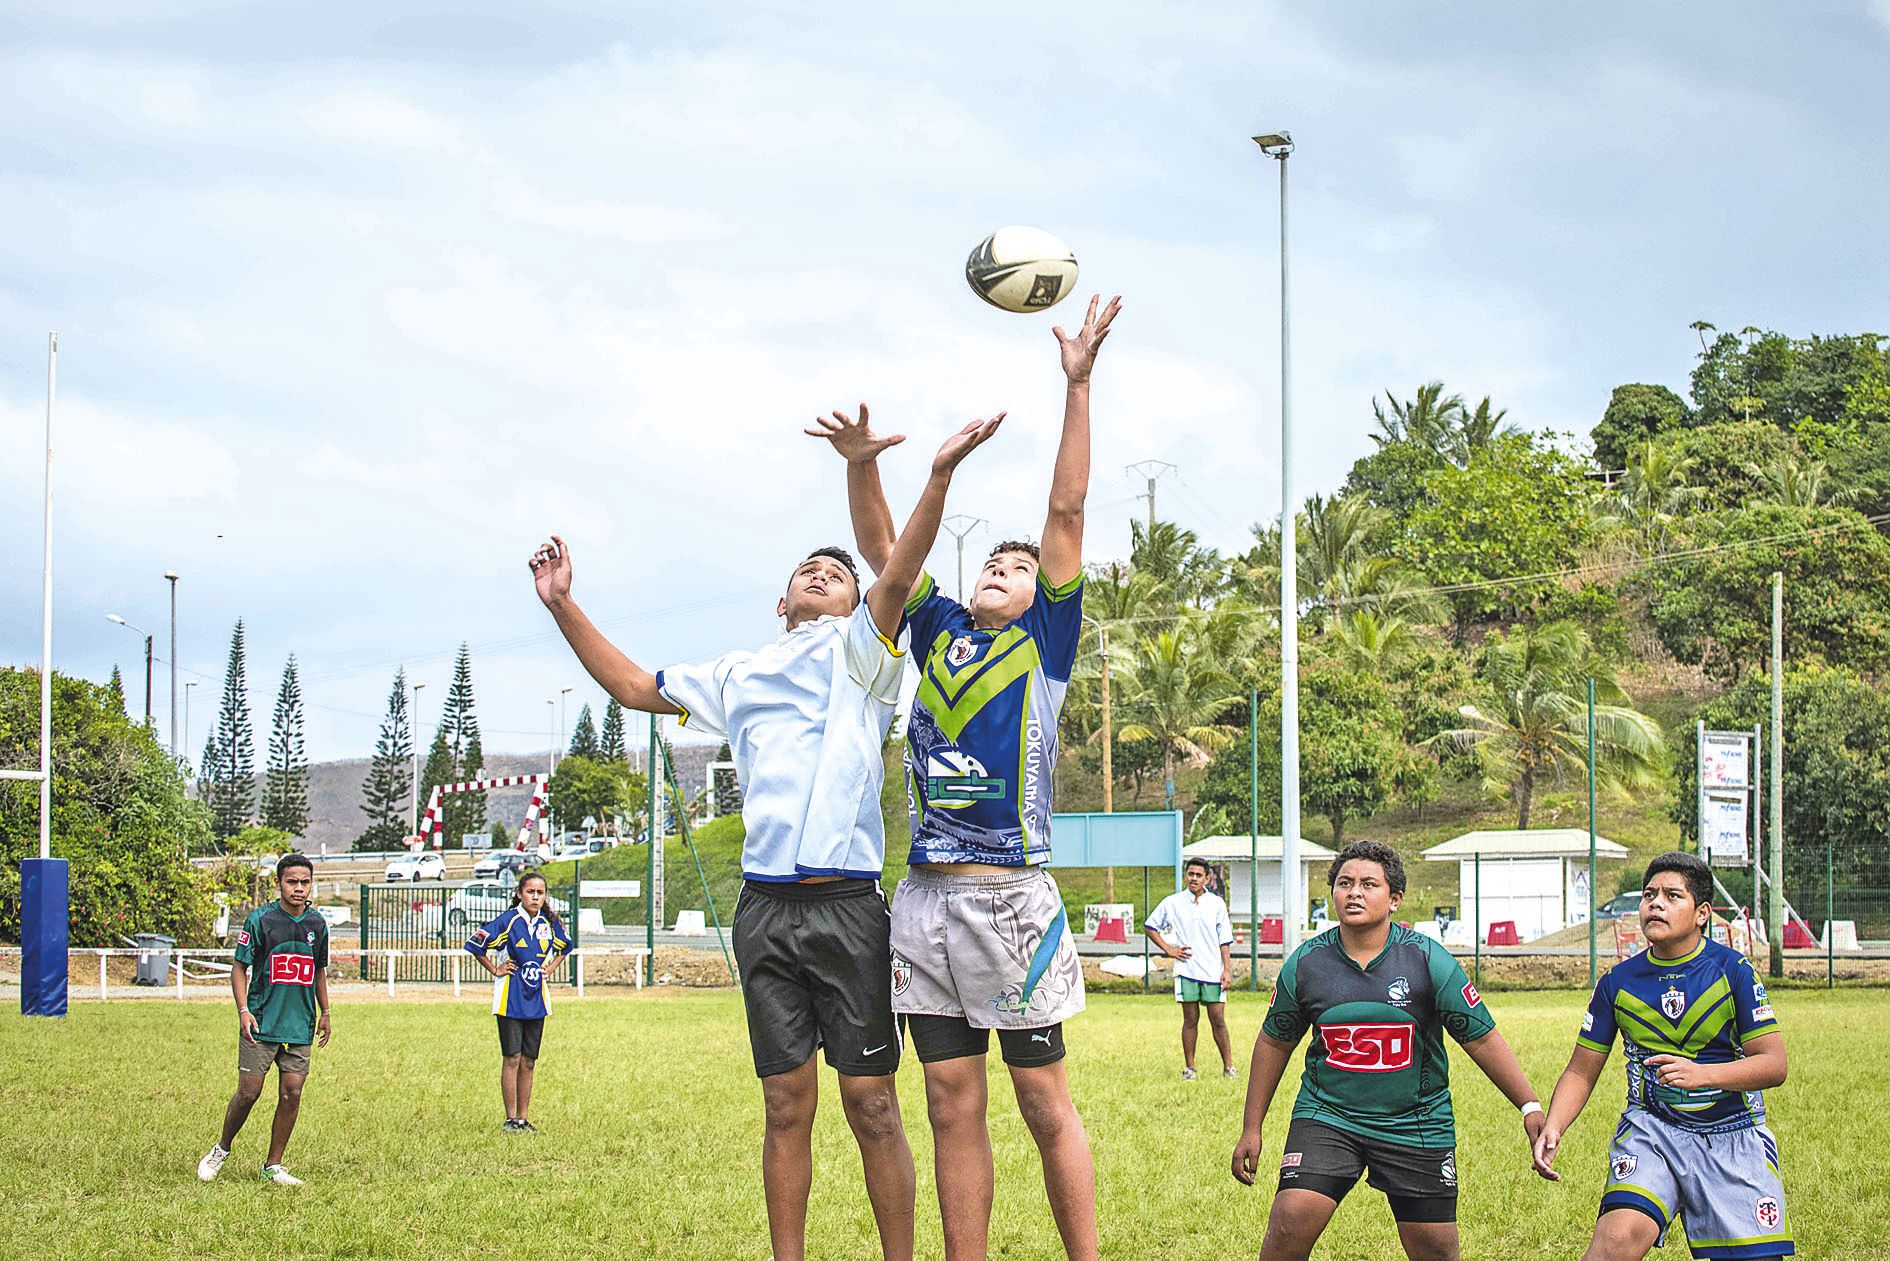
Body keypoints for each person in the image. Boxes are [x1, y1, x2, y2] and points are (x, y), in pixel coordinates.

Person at [529, 413, 1003, 1261]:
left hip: (850, 909)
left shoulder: (865, 654)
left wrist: (905, 475)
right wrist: (565, 606)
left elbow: (897, 573)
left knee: (872, 1106)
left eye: (838, 572)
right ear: (781, 601)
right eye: (807, 571)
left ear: (857, 605)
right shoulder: (736, 674)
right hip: (765, 913)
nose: (824, 574)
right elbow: (636, 685)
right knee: (785, 1103)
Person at [810, 293, 1120, 1261]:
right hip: (924, 904)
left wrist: (1076, 384)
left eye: (1019, 564)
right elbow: (881, 552)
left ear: (1042, 593)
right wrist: (871, 468)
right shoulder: (937, 625)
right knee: (950, 1099)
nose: (1003, 564)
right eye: (993, 556)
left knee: (1040, 1098)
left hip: (1011, 904)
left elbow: (1064, 507)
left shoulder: (1046, 644)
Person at [1231, 840, 1545, 1261]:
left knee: (1435, 1249)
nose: (1354, 892)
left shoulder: (1428, 960)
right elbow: (1274, 1041)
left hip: (1415, 1120)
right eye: (1344, 883)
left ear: (1395, 899)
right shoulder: (1306, 963)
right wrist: (1252, 1127)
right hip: (1328, 1115)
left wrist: (1529, 1106)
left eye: (1368, 884)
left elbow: (1481, 1037)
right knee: (1290, 1217)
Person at [1532, 852, 1793, 1260]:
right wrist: (1555, 1125)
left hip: (1731, 1134)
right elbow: (1582, 1071)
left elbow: (1774, 1065)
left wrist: (1703, 1075)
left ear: (1702, 912)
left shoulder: (1733, 972)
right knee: (1614, 1243)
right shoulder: (1617, 983)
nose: (1656, 903)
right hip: (1651, 1131)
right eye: (1649, 894)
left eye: (1673, 896)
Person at [197, 853, 332, 1185]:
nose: (298, 888)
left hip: (300, 1023)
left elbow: (319, 972)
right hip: (261, 1021)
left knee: (292, 1092)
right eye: (292, 882)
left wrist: (326, 1012)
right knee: (249, 1092)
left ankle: (273, 1165)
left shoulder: (317, 924)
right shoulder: (260, 920)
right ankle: (221, 1150)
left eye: (304, 882)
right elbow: (239, 968)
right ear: (278, 883)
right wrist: (243, 1010)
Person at [465, 870, 573, 1132]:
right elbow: (475, 943)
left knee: (529, 1060)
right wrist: (495, 968)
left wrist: (551, 968)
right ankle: (510, 1118)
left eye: (540, 893)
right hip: (510, 998)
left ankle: (524, 1118)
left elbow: (566, 946)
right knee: (511, 1057)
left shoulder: (548, 923)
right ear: (519, 894)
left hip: (537, 998)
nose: (535, 897)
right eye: (530, 892)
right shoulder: (509, 920)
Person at [1144, 856, 1236, 1081]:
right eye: (1190, 874)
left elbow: (1224, 940)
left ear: (1207, 878)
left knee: (1218, 1019)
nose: (1193, 878)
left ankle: (1229, 1067)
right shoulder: (1173, 902)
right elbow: (1150, 925)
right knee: (1190, 1019)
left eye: (1198, 875)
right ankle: (1190, 1068)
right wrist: (1169, 949)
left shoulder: (1216, 904)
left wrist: (1226, 970)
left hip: (1213, 971)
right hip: (1187, 971)